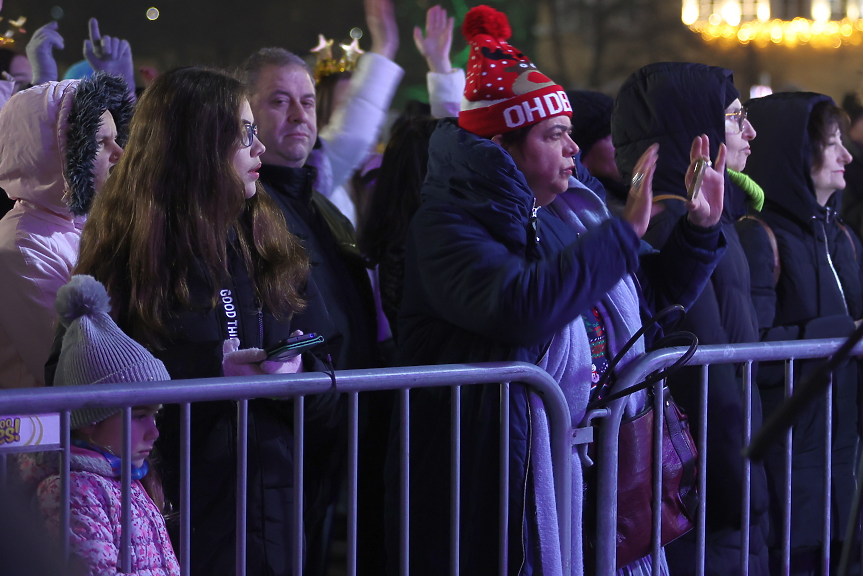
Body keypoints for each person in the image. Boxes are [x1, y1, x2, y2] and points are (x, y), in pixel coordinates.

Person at [391, 8, 727, 575]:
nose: (574, 148)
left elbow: (652, 301)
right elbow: (522, 307)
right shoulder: (447, 224)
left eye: (571, 133)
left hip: (592, 465)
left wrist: (700, 231)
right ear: (504, 145)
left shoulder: (569, 212)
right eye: (555, 135)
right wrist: (624, 233)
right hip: (502, 474)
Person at [69, 66, 335, 576]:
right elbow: (82, 380)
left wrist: (296, 376)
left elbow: (329, 365)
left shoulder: (267, 240)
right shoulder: (127, 252)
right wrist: (211, 371)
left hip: (273, 510)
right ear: (197, 146)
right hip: (173, 518)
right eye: (244, 134)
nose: (259, 151)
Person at [612, 62, 770, 576]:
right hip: (700, 502)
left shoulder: (699, 221)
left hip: (715, 487)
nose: (749, 131)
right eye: (735, 117)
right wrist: (738, 490)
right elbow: (707, 378)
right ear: (694, 129)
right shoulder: (670, 224)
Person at [736, 92, 861, 575]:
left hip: (843, 458)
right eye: (833, 145)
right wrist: (844, 335)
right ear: (795, 154)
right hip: (790, 465)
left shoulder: (845, 237)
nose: (847, 156)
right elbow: (756, 349)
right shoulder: (759, 236)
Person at [22, 274, 179, 576]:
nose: (154, 432)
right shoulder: (71, 492)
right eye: (139, 416)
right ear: (90, 420)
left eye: (155, 416)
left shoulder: (127, 479)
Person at [0, 73, 131, 389]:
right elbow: (72, 366)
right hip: (41, 433)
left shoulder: (78, 224)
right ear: (54, 152)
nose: (120, 154)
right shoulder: (23, 246)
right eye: (100, 142)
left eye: (117, 139)